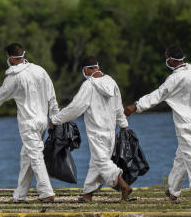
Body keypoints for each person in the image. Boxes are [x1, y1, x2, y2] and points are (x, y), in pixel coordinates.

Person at [124, 45, 191, 202]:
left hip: (184, 123)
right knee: (182, 156)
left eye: (166, 57)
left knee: (190, 154)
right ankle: (173, 191)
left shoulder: (175, 78)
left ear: (170, 59)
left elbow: (158, 95)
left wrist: (136, 106)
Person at [0, 43, 59, 203]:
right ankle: (20, 195)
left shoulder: (14, 77)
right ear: (23, 54)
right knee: (26, 156)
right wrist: (55, 117)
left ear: (10, 57)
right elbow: (52, 95)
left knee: (35, 156)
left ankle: (46, 193)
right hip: (43, 120)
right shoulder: (40, 70)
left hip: (29, 123)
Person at [51, 56, 132, 202]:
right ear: (97, 66)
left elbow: (76, 108)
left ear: (86, 69)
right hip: (110, 132)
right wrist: (123, 124)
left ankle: (123, 185)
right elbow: (118, 106)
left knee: (101, 162)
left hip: (96, 132)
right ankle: (88, 195)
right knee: (96, 162)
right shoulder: (111, 81)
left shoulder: (89, 85)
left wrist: (56, 120)